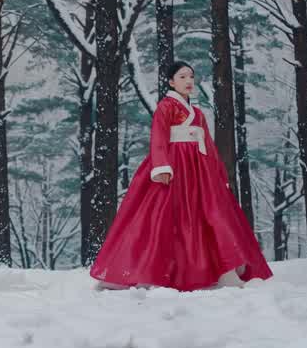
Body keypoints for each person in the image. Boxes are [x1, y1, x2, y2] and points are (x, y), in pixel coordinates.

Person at [89, 60, 273, 291]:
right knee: (161, 220)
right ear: (171, 82)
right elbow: (158, 137)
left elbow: (208, 145)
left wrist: (218, 173)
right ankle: (155, 273)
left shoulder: (197, 113)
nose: (189, 81)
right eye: (183, 77)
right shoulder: (166, 107)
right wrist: (162, 167)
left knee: (210, 217)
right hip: (174, 168)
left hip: (199, 171)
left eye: (191, 77)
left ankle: (223, 271)